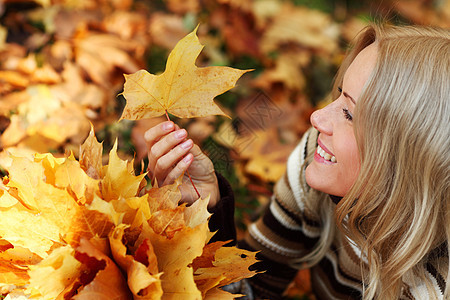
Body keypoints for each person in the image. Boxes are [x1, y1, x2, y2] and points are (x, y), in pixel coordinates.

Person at [144, 24, 449, 299]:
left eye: (349, 114)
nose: (317, 118)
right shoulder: (317, 160)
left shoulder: (435, 287)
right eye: (340, 94)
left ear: (410, 157)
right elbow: (250, 288)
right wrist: (205, 208)